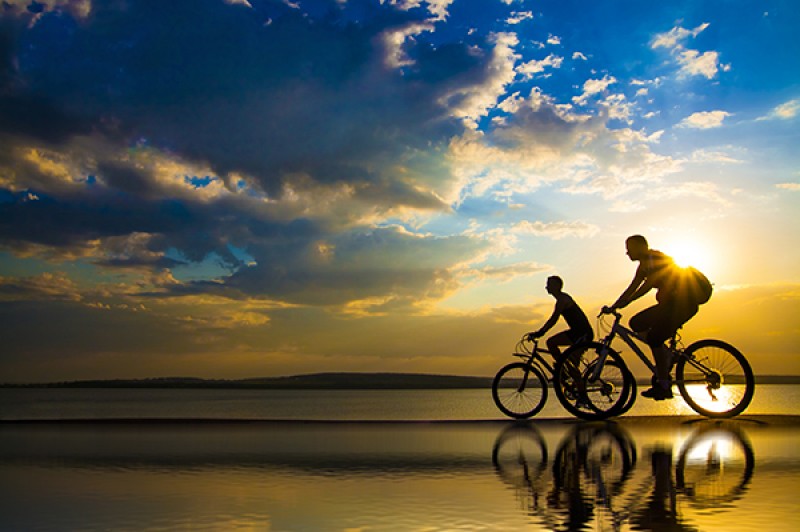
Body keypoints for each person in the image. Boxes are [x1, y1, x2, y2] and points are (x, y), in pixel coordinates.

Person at [605, 235, 701, 400]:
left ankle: (664, 385)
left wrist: (628, 302)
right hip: (671, 305)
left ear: (642, 247)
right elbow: (632, 287)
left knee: (655, 338)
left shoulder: (656, 258)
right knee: (636, 323)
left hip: (682, 304)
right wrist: (614, 305)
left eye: (630, 248)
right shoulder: (643, 266)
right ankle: (667, 355)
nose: (627, 252)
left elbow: (648, 284)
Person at [527, 276, 593, 360]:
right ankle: (561, 368)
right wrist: (541, 332)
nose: (546, 287)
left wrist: (541, 332)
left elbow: (554, 319)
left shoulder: (563, 300)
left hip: (583, 334)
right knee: (551, 343)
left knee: (570, 361)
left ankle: (562, 368)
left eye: (549, 284)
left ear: (557, 286)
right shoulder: (561, 299)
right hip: (576, 332)